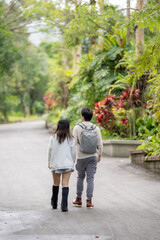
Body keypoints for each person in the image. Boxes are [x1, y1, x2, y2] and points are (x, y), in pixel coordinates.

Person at [72, 107, 103, 208]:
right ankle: (89, 201)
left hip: (80, 156)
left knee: (80, 177)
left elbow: (74, 143)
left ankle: (78, 199)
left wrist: (74, 156)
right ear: (91, 117)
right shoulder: (96, 128)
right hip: (93, 156)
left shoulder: (77, 127)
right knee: (90, 178)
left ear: (82, 117)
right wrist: (99, 154)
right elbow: (100, 144)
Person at [48, 119, 76, 212]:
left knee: (56, 183)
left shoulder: (53, 137)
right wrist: (72, 161)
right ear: (68, 127)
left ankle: (54, 204)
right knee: (65, 184)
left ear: (58, 126)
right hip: (67, 164)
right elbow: (73, 152)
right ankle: (64, 206)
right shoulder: (71, 138)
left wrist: (49, 163)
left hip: (56, 164)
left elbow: (50, 151)